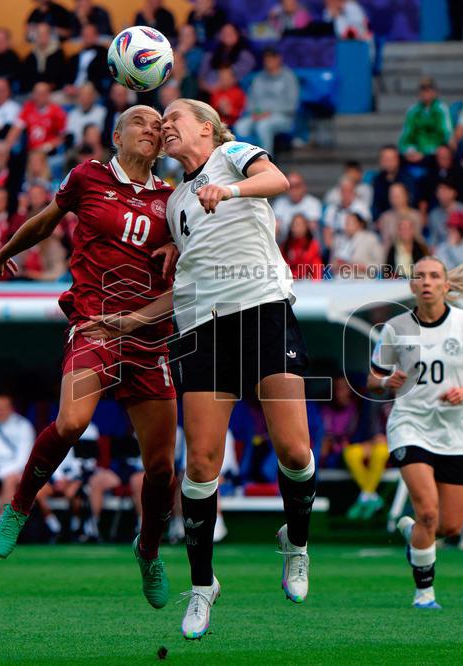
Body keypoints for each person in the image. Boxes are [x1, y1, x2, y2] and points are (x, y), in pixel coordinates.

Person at [82, 99, 315, 638]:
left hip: (263, 309)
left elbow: (278, 180)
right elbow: (186, 280)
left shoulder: (233, 155)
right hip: (201, 327)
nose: (164, 128)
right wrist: (133, 319)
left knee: (294, 450)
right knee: (202, 464)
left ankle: (296, 543)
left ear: (206, 128)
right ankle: (203, 584)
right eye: (160, 124)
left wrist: (229, 190)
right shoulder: (174, 201)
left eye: (174, 121)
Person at [0, 105, 180, 611]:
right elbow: (46, 222)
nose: (151, 129)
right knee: (71, 422)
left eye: (157, 125)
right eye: (140, 122)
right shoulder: (87, 177)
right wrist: (6, 251)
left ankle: (148, 550)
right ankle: (19, 506)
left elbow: (192, 263)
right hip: (95, 323)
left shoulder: (173, 197)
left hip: (148, 335)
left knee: (162, 468)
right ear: (116, 135)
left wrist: (179, 250)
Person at [369, 257, 463, 609]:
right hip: (410, 426)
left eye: (434, 276)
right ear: (412, 286)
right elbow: (372, 378)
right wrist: (385, 381)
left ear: (445, 285)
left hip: (454, 432)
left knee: (449, 526)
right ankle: (424, 593)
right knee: (427, 510)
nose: (426, 281)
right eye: (420, 276)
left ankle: (413, 534)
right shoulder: (395, 328)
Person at [233, 49, 298, 155]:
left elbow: (291, 105)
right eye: (267, 60)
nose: (269, 62)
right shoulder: (259, 78)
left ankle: (266, 160)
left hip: (282, 117)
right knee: (240, 126)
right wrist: (256, 113)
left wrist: (269, 112)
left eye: (272, 59)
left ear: (278, 59)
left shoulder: (289, 77)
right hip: (258, 115)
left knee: (263, 126)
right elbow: (251, 102)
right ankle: (245, 159)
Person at [398, 77, 451, 165]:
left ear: (435, 92)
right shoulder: (412, 111)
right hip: (416, 152)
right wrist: (411, 150)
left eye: (428, 90)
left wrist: (427, 152)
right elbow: (406, 136)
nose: (425, 93)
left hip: (435, 153)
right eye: (422, 90)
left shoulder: (442, 109)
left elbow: (447, 134)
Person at [272, 172, 322, 244]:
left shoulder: (313, 204)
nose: (294, 190)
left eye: (297, 186)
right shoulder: (279, 203)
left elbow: (312, 230)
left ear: (304, 187)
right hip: (285, 245)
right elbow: (274, 228)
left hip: (307, 246)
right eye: (291, 186)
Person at [281, 213, 323, 280]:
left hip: (307, 283)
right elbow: (281, 267)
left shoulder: (312, 245)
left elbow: (316, 269)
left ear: (305, 227)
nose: (295, 228)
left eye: (298, 225)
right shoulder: (285, 246)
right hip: (288, 281)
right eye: (293, 225)